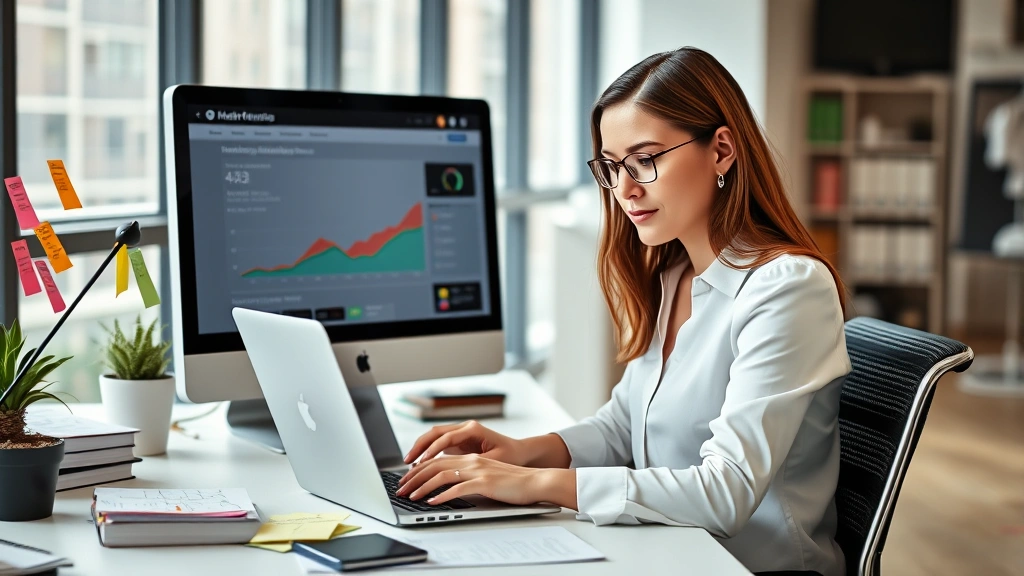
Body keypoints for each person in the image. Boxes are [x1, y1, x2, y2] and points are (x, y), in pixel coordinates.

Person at [397, 47, 851, 576]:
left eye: (646, 160)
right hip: (673, 551)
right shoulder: (677, 273)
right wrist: (521, 452)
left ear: (722, 150)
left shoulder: (787, 287)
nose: (625, 190)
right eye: (612, 168)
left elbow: (726, 491)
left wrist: (536, 485)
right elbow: (623, 427)